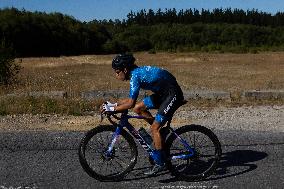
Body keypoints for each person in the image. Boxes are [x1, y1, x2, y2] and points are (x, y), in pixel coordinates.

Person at [101, 53, 184, 175]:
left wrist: (112, 109)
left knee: (154, 127)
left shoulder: (135, 75)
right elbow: (131, 102)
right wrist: (112, 105)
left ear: (125, 69)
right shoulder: (135, 73)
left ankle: (160, 163)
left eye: (117, 71)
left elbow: (129, 103)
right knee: (138, 108)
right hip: (164, 93)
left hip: (172, 94)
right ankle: (159, 132)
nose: (116, 75)